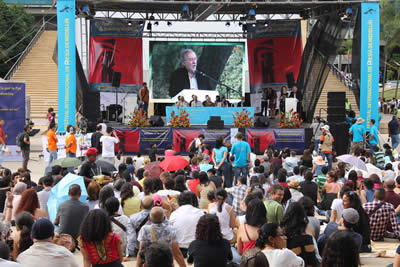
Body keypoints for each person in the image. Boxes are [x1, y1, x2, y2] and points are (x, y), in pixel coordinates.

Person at [170, 191, 204, 258]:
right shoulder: (200, 213)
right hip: (198, 250)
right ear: (194, 201)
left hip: (179, 251)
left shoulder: (174, 214)